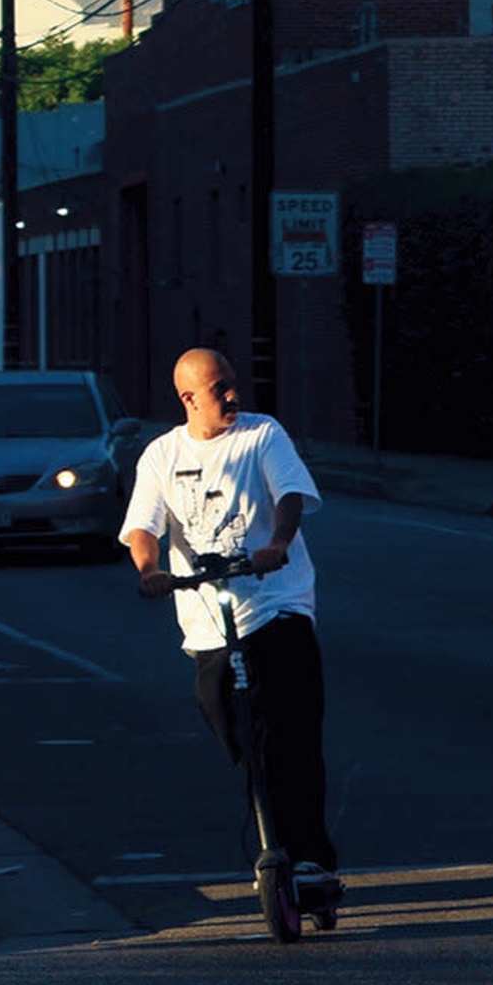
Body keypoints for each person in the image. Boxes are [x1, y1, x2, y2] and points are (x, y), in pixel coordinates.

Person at [122, 347, 340, 890]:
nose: (232, 397)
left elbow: (289, 492)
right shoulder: (160, 455)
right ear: (188, 398)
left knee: (292, 731)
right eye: (218, 389)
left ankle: (308, 856)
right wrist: (150, 570)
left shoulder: (261, 435)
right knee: (236, 730)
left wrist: (279, 542)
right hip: (206, 620)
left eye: (232, 385)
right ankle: (277, 839)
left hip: (277, 604)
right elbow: (143, 526)